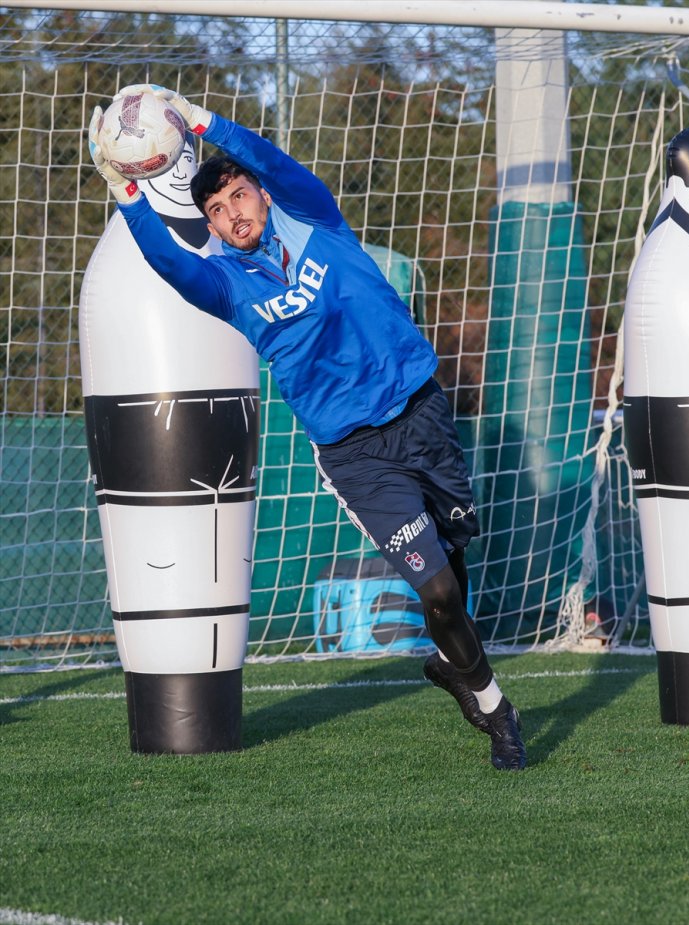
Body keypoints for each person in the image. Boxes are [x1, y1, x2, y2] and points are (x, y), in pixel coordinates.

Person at [88, 84, 526, 771]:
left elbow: (273, 159)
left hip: (421, 408)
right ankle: (498, 711)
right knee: (436, 590)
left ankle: (451, 660)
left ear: (260, 193)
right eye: (214, 210)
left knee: (456, 550)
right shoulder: (229, 286)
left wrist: (204, 121)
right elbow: (172, 264)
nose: (230, 214)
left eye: (236, 196)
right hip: (356, 453)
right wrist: (127, 193)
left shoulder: (315, 216)